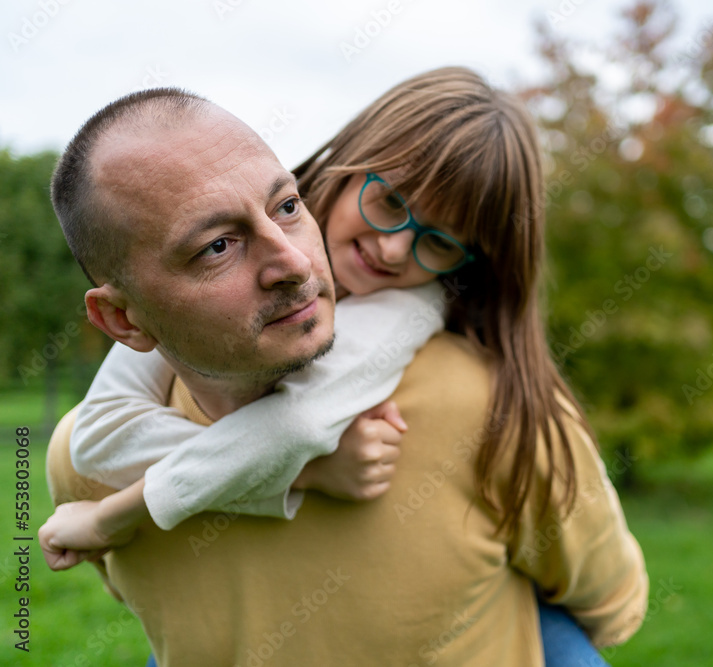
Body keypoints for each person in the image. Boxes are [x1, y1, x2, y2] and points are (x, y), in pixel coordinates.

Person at [45, 69, 648, 666]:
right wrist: (301, 476)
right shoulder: (88, 447)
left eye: (284, 207)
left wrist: (111, 516)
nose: (391, 249)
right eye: (218, 246)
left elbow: (605, 598)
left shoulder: (481, 396)